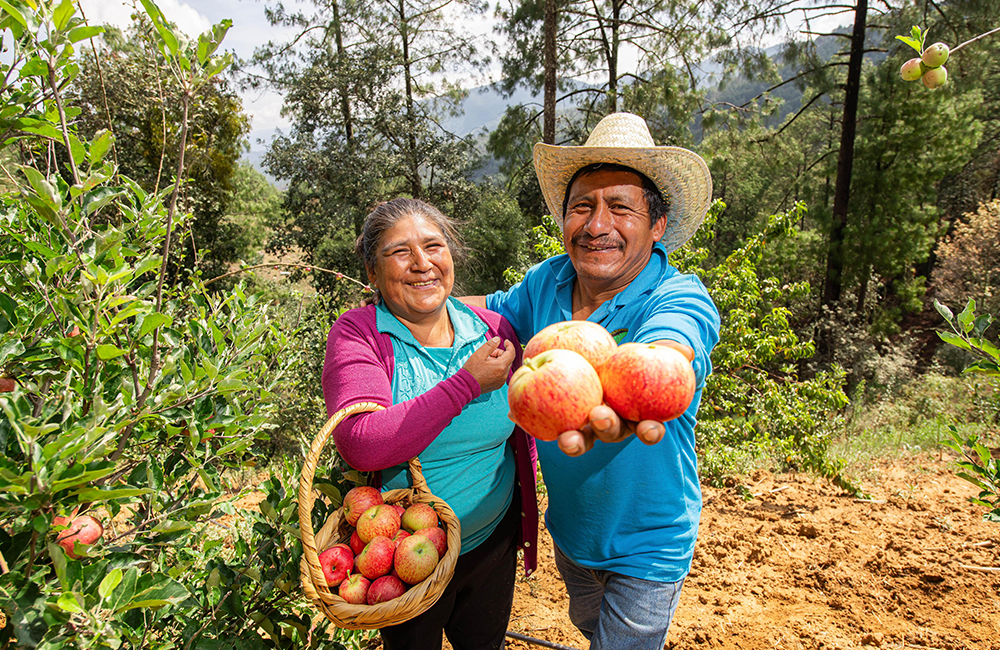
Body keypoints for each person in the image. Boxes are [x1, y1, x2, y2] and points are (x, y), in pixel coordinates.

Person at [463, 112, 721, 649]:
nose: (596, 224)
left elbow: (672, 349)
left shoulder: (677, 296)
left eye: (620, 207)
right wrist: (403, 307)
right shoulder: (547, 281)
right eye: (582, 206)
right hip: (573, 533)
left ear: (658, 225)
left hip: (649, 543)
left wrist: (648, 380)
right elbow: (482, 312)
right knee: (591, 629)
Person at [321, 198, 538, 650]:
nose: (423, 264)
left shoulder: (492, 328)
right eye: (400, 252)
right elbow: (362, 443)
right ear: (372, 273)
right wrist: (466, 385)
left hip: (492, 540)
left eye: (434, 246)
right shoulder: (359, 334)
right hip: (404, 561)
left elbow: (519, 422)